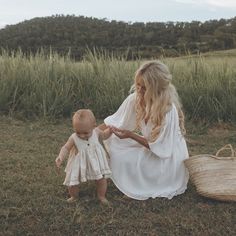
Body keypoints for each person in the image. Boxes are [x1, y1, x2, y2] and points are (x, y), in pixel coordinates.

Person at [100, 60, 189, 200]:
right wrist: (89, 134)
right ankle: (133, 183)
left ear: (157, 89)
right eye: (138, 85)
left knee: (136, 161)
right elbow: (113, 122)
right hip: (151, 145)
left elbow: (162, 148)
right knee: (117, 149)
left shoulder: (168, 110)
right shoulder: (135, 98)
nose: (139, 90)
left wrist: (131, 135)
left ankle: (137, 187)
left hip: (167, 155)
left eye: (145, 87)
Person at [55, 109, 112, 204]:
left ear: (94, 126)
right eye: (78, 132)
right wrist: (60, 157)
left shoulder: (97, 131)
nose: (81, 136)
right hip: (79, 164)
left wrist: (110, 131)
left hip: (96, 161)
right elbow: (66, 147)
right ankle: (74, 196)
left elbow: (104, 136)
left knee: (101, 179)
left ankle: (101, 196)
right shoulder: (73, 137)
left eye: (85, 133)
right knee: (73, 182)